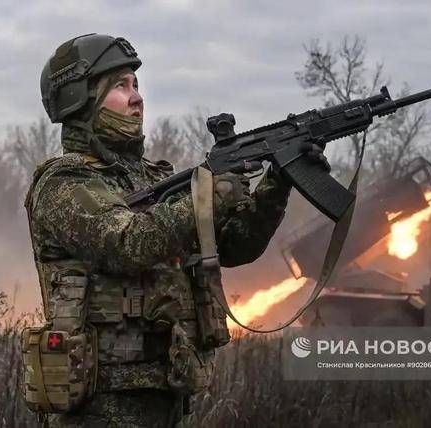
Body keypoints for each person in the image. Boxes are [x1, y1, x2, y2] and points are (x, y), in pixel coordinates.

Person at [24, 33, 327, 427]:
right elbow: (126, 243)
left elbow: (236, 246)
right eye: (121, 85)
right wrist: (209, 196)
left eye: (136, 84)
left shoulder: (154, 179)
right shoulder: (64, 184)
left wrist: (280, 179)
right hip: (100, 406)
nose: (137, 97)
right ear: (80, 99)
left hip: (167, 394)